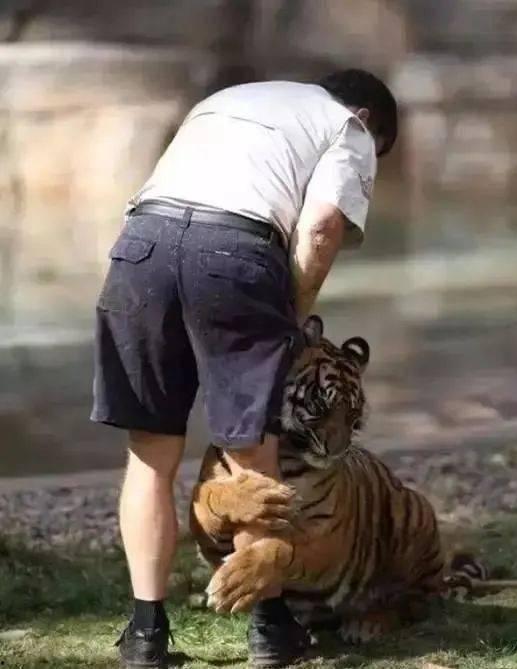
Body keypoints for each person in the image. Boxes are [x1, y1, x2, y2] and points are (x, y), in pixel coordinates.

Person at [91, 68, 398, 668]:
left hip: (139, 249)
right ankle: (269, 629)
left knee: (150, 456)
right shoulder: (349, 126)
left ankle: (145, 634)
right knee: (253, 454)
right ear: (369, 120)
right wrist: (291, 320)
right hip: (232, 252)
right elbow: (322, 226)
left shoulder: (227, 100)